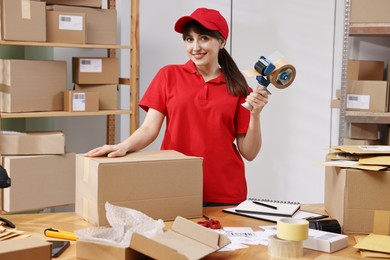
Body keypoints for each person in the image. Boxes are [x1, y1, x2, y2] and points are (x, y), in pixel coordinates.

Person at [86, 7, 269, 206]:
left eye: (204, 38)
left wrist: (256, 115)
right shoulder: (168, 75)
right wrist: (123, 146)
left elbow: (249, 152)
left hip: (225, 192)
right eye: (189, 39)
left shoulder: (238, 87)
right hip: (174, 186)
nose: (195, 47)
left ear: (222, 42)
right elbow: (149, 128)